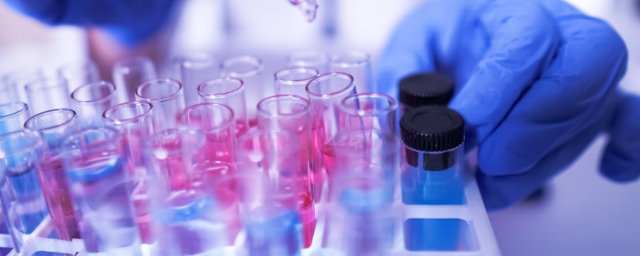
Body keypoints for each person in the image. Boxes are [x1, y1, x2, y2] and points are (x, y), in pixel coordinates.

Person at [5, 0, 639, 210]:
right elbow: (125, 99)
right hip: (222, 195)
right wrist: (126, 23)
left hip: (452, 199)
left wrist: (555, 68)